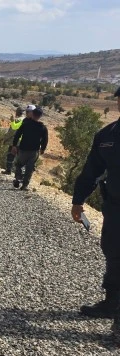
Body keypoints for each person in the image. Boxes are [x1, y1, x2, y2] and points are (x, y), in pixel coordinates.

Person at [71, 86, 120, 340]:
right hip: (115, 207)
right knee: (113, 253)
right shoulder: (107, 135)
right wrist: (78, 201)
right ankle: (112, 303)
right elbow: (91, 171)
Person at [11, 108, 48, 190]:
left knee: (19, 164)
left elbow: (17, 134)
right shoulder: (42, 127)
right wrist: (43, 149)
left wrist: (14, 145)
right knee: (30, 168)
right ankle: (25, 185)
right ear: (40, 116)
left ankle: (17, 179)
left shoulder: (25, 124)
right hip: (34, 151)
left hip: (23, 149)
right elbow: (45, 140)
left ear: (32, 114)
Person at [3, 106, 33, 174]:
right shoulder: (27, 120)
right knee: (22, 158)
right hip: (24, 143)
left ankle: (8, 170)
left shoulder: (17, 120)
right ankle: (21, 174)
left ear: (17, 112)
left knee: (10, 156)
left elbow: (12, 131)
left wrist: (4, 139)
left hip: (15, 142)